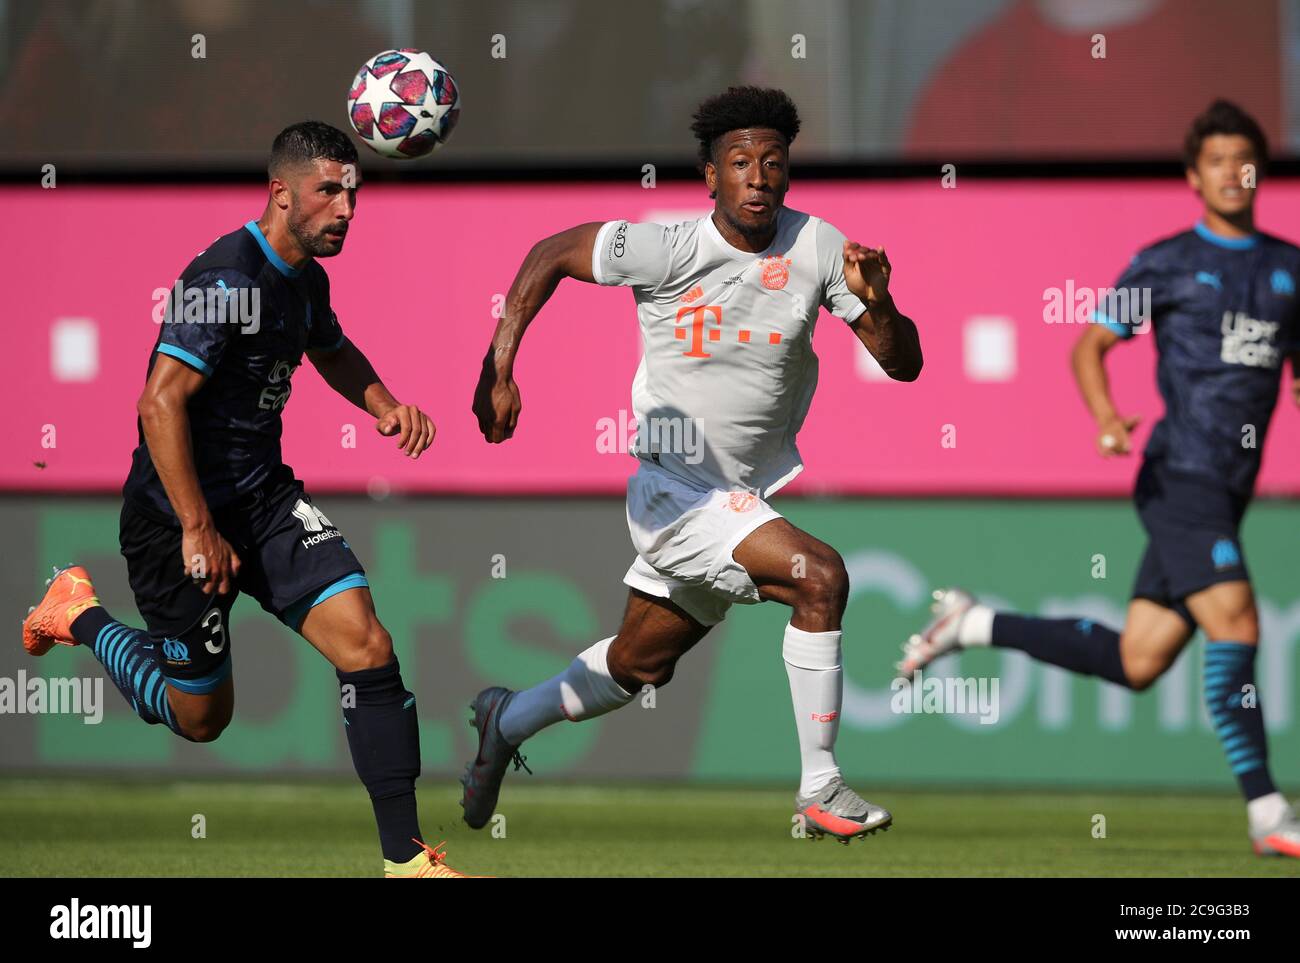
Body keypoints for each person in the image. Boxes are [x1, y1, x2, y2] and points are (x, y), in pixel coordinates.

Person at [466, 87, 922, 843]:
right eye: (740, 162)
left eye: (772, 163)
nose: (758, 177)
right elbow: (550, 254)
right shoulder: (665, 247)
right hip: (674, 491)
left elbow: (902, 365)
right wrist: (499, 369)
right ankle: (821, 788)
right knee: (821, 576)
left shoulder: (818, 248)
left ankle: (506, 720)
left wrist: (880, 304)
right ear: (711, 176)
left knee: (637, 667)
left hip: (736, 496)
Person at [21, 121, 469, 878]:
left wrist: (384, 404)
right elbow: (158, 404)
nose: (346, 209)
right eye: (328, 191)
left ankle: (407, 862)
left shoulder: (305, 281)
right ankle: (79, 613)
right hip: (175, 520)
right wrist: (197, 526)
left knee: (368, 645)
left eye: (352, 193)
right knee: (201, 720)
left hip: (265, 502)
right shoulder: (226, 281)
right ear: (281, 193)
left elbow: (330, 349)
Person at [900, 101, 1300, 858]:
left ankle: (972, 624)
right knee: (1240, 627)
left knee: (1138, 661)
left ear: (1259, 172)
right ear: (1193, 176)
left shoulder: (1290, 268)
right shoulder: (1165, 261)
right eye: (1215, 160)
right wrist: (1107, 418)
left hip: (1230, 488)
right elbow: (1089, 344)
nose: (1230, 173)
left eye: (1243, 160)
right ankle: (1268, 812)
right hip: (1181, 476)